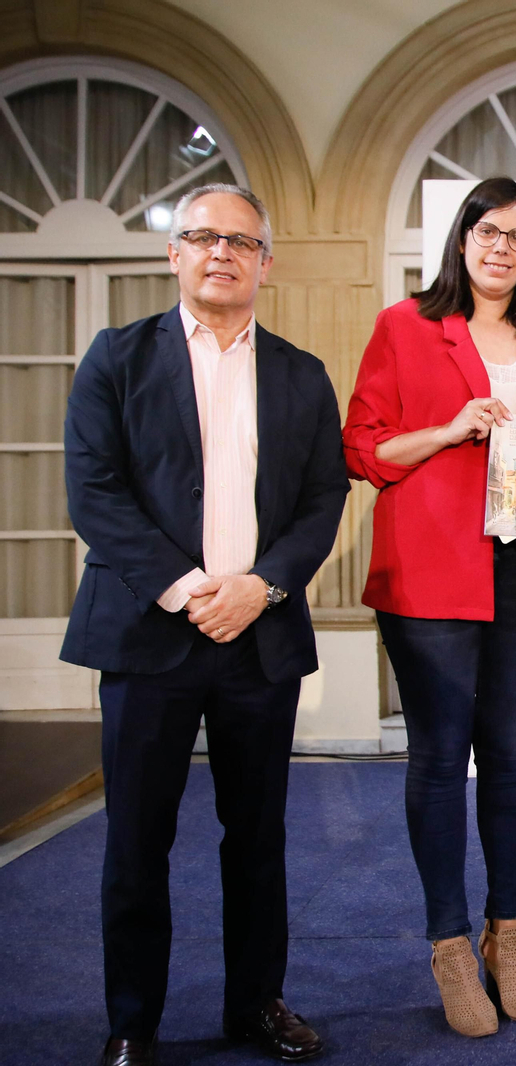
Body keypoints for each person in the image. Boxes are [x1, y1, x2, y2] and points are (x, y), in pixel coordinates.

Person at [61, 184, 348, 1066]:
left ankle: (256, 1004)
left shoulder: (301, 372)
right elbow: (95, 494)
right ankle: (132, 1024)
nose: (221, 253)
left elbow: (321, 497)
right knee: (137, 840)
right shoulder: (115, 358)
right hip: (152, 639)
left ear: (267, 262)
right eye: (202, 238)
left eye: (240, 241)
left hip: (258, 640)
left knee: (257, 839)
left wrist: (260, 588)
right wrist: (191, 590)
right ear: (174, 255)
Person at [343, 177, 516, 1037]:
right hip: (431, 574)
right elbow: (366, 448)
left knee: (510, 756)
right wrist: (452, 428)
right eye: (488, 232)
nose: (501, 249)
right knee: (438, 756)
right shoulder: (404, 326)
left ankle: (509, 938)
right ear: (461, 240)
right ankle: (450, 945)